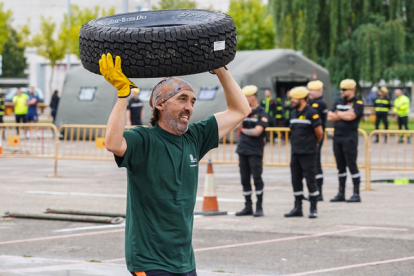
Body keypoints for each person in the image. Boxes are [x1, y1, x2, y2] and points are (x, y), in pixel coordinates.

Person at [100, 53, 250, 275]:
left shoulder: (195, 138)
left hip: (184, 260)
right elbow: (112, 143)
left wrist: (220, 69)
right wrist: (123, 95)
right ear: (160, 103)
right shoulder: (144, 139)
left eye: (192, 101)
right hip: (150, 261)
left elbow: (240, 110)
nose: (189, 107)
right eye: (182, 99)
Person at [284, 87, 322, 219]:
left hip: (308, 152)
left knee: (311, 181)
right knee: (296, 180)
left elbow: (319, 133)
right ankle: (298, 208)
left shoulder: (312, 112)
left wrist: (313, 143)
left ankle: (313, 208)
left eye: (294, 99)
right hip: (295, 152)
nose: (292, 101)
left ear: (302, 99)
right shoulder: (293, 112)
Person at [328, 79, 364, 203]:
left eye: (344, 89)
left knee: (352, 165)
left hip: (350, 138)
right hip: (337, 137)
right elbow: (330, 115)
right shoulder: (338, 101)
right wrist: (343, 114)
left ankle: (356, 193)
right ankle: (341, 193)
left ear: (352, 90)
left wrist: (339, 114)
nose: (341, 91)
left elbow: (352, 116)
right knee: (340, 166)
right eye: (341, 89)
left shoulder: (357, 102)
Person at [235, 85, 269, 217]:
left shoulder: (262, 113)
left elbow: (257, 131)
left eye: (245, 97)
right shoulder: (244, 111)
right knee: (244, 179)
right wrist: (241, 114)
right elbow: (235, 126)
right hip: (243, 149)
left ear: (252, 97)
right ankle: (247, 206)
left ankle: (259, 207)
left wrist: (243, 130)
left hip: (255, 151)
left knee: (257, 178)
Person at [307, 80, 328, 201]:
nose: (310, 92)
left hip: (316, 138)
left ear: (319, 91)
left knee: (316, 164)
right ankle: (314, 191)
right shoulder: (312, 102)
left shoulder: (319, 104)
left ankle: (318, 192)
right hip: (310, 138)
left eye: (313, 90)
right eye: (309, 90)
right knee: (313, 164)